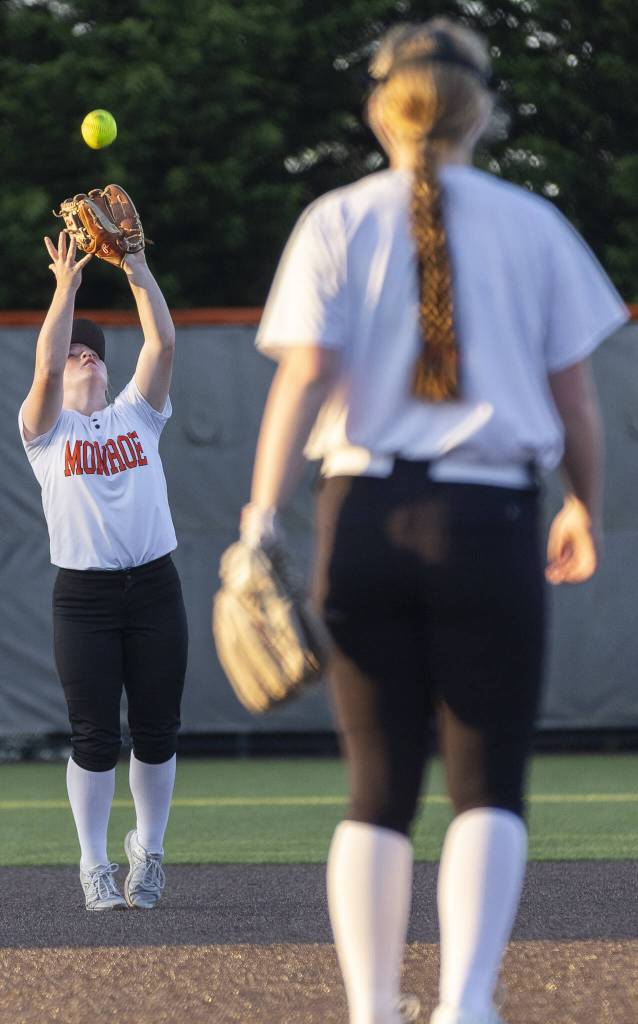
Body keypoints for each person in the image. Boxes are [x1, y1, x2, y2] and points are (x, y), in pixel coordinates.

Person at [240, 17, 628, 1024]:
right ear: (484, 111)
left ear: (380, 109)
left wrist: (255, 523)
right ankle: (464, 1004)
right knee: (485, 780)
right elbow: (574, 401)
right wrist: (584, 502)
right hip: (489, 518)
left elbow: (299, 384)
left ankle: (373, 1010)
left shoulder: (334, 218)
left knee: (375, 787)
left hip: (360, 510)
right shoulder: (530, 223)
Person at [19, 230, 187, 912]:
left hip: (153, 587)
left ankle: (147, 853)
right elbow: (45, 367)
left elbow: (164, 344)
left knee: (156, 730)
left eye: (94, 353)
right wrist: (66, 289)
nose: (84, 358)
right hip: (83, 598)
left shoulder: (137, 416)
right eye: (75, 353)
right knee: (93, 736)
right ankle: (93, 865)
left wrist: (139, 269)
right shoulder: (45, 430)